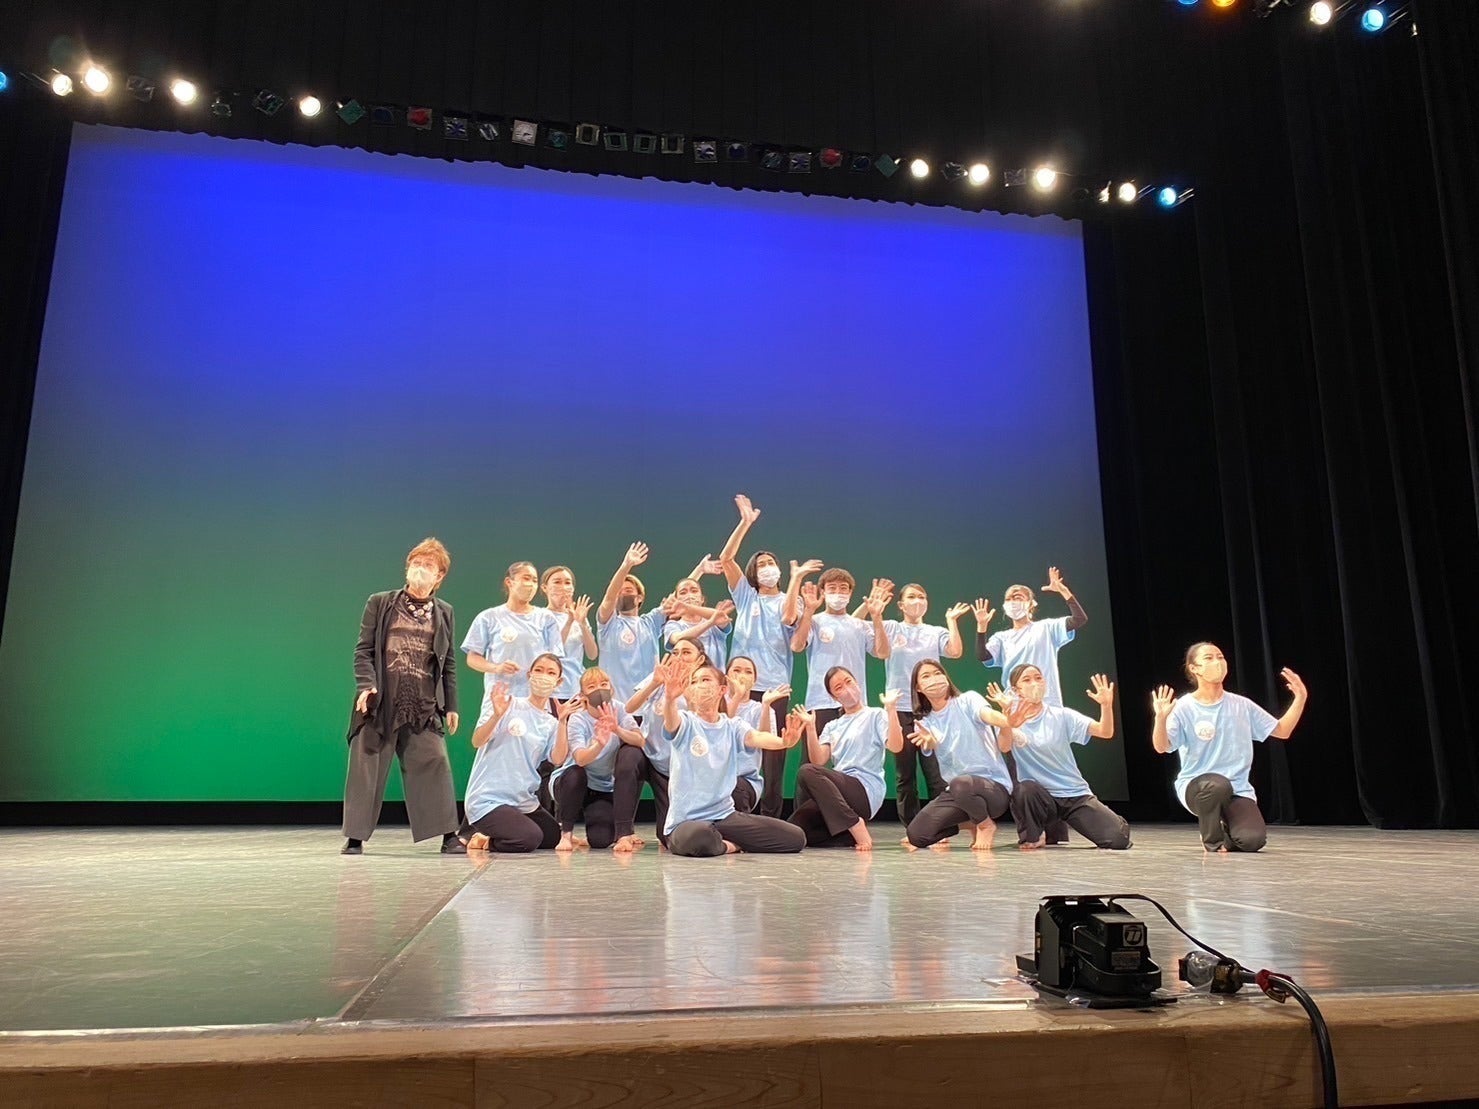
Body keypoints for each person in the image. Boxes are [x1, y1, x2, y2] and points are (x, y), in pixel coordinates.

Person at [342, 538, 463, 856]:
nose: (420, 568)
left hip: (421, 703)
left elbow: (448, 662)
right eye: (416, 563)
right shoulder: (381, 602)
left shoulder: (445, 612)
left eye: (428, 565)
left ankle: (449, 836)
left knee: (435, 763)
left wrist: (451, 705)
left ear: (439, 575)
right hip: (380, 701)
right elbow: (363, 650)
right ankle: (355, 838)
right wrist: (366, 685)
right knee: (366, 768)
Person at [1151, 643, 1308, 853]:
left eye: (1220, 657)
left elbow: (1282, 730)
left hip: (1237, 789)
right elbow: (1162, 747)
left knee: (1252, 841)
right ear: (1194, 668)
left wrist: (1300, 698)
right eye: (1209, 658)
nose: (1217, 662)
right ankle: (1212, 840)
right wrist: (1160, 719)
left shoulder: (1241, 704)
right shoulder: (1183, 707)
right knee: (1217, 785)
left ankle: (1228, 831)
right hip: (1198, 787)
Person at [716, 494, 811, 817]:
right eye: (761, 565)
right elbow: (726, 558)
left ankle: (770, 818)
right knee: (734, 746)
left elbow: (789, 618)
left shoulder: (790, 598)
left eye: (771, 563)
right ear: (753, 573)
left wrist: (795, 582)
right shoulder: (745, 595)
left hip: (775, 687)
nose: (767, 568)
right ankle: (731, 810)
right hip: (739, 686)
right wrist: (745, 523)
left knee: (773, 756)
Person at [658, 659, 809, 858]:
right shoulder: (686, 722)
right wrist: (670, 698)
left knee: (795, 837)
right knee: (699, 837)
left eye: (705, 680)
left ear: (722, 690)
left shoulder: (732, 726)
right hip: (687, 822)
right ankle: (730, 846)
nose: (699, 685)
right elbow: (671, 723)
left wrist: (784, 742)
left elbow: (756, 737)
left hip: (725, 817)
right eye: (694, 682)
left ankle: (719, 842)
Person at [997, 663, 1130, 850]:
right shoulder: (1009, 720)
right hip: (1041, 798)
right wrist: (1009, 723)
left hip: (1073, 794)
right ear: (1016, 690)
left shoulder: (1061, 715)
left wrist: (1106, 705)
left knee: (1118, 839)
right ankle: (1034, 836)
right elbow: (1003, 747)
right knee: (1024, 790)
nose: (1034, 683)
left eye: (1038, 678)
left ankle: (1111, 821)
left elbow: (1105, 731)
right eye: (1027, 680)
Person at [460, 654, 574, 853]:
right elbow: (477, 741)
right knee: (529, 838)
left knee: (552, 837)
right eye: (539, 670)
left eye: (551, 673)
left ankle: (501, 831)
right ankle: (485, 841)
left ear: (558, 682)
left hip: (522, 801)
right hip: (489, 799)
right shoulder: (508, 705)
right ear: (529, 675)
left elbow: (557, 759)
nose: (543, 676)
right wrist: (496, 716)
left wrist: (563, 721)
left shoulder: (550, 723)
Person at [877, 585, 971, 825]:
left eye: (921, 597)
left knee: (935, 772)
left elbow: (955, 651)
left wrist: (951, 621)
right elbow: (878, 648)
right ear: (901, 605)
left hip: (929, 710)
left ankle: (941, 825)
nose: (917, 601)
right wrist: (876, 614)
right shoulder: (891, 627)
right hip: (899, 709)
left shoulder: (935, 631)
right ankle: (913, 827)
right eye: (911, 597)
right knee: (905, 774)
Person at [903, 660, 1014, 851]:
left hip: (993, 788)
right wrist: (929, 741)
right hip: (958, 793)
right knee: (917, 835)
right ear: (918, 688)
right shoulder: (925, 723)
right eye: (926, 676)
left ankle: (985, 824)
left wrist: (1005, 719)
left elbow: (987, 715)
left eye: (937, 673)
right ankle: (972, 822)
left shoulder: (968, 700)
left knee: (961, 783)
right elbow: (931, 742)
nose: (934, 679)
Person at [611, 639, 711, 852]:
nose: (679, 657)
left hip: (676, 765)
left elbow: (702, 723)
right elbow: (630, 707)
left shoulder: (702, 685)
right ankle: (624, 834)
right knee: (628, 758)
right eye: (676, 652)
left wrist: (685, 693)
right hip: (647, 753)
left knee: (666, 837)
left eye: (686, 652)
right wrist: (655, 683)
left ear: (700, 659)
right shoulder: (659, 677)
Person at [788, 667, 904, 850]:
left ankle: (855, 825)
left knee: (807, 771)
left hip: (864, 790)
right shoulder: (832, 725)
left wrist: (891, 709)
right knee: (793, 832)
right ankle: (847, 836)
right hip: (838, 793)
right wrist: (810, 727)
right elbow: (818, 760)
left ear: (857, 683)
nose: (847, 689)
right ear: (834, 697)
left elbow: (896, 746)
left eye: (848, 681)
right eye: (839, 687)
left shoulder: (875, 715)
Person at [549, 667, 645, 851]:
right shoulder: (578, 719)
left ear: (611, 688)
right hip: (571, 781)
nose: (599, 689)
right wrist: (599, 744)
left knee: (600, 840)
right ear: (583, 695)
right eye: (592, 686)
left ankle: (609, 829)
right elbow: (580, 759)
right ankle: (566, 834)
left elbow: (639, 740)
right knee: (576, 774)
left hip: (601, 787)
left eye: (603, 684)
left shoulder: (619, 709)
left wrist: (617, 729)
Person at [791, 570, 892, 743]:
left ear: (850, 593)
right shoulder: (814, 621)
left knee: (855, 755)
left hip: (855, 703)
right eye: (832, 588)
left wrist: (876, 617)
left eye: (843, 588)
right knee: (815, 757)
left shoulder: (860, 625)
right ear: (822, 592)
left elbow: (883, 653)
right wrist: (808, 611)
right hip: (820, 702)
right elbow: (796, 646)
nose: (838, 592)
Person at [973, 567, 1087, 707]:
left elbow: (1079, 619)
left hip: (1048, 702)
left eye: (1017, 597)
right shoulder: (1001, 637)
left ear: (1031, 604)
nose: (1012, 602)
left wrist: (1063, 591)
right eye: (1008, 599)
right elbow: (983, 656)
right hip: (1016, 704)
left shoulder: (1047, 628)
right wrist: (981, 626)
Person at [462, 562, 563, 700]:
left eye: (535, 581)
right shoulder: (488, 617)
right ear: (509, 582)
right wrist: (496, 668)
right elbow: (472, 658)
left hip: (534, 699)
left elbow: (554, 659)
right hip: (499, 697)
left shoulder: (546, 618)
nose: (531, 585)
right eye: (526, 578)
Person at [596, 543, 668, 704]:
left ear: (639, 597)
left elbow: (679, 597)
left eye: (628, 590)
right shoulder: (608, 624)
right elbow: (609, 598)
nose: (622, 594)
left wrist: (699, 570)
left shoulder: (651, 622)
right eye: (619, 592)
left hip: (647, 704)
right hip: (614, 706)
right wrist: (626, 565)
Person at [722, 655, 790, 813]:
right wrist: (737, 697)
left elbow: (764, 739)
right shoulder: (716, 703)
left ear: (754, 680)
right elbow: (721, 730)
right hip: (715, 776)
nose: (742, 676)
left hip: (744, 780)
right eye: (737, 670)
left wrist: (766, 706)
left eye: (748, 672)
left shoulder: (759, 708)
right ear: (726, 677)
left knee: (736, 790)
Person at [539, 566, 596, 702]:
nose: (563, 587)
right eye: (557, 582)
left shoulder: (579, 616)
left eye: (567, 582)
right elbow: (551, 654)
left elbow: (592, 654)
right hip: (551, 691)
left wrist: (582, 623)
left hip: (576, 689)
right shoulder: (539, 616)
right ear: (545, 588)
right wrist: (569, 622)